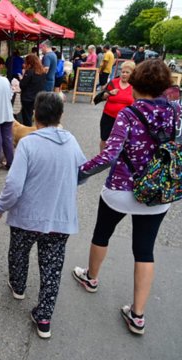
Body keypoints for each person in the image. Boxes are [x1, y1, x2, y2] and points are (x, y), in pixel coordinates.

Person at [73, 59, 181, 335]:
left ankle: (91, 277)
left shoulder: (129, 114)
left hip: (122, 189)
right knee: (144, 250)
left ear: (136, 84)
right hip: (158, 192)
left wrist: (79, 173)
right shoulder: (176, 111)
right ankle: (137, 315)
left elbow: (108, 156)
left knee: (102, 234)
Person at [0, 92, 86, 339]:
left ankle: (19, 286)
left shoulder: (28, 144)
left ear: (35, 115)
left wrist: (0, 208)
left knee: (19, 251)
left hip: (27, 217)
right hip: (60, 219)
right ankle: (44, 318)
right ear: (61, 116)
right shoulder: (71, 141)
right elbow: (83, 172)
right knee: (52, 267)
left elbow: (13, 186)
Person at [97, 61, 135, 152]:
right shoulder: (113, 82)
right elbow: (99, 98)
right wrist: (108, 93)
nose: (124, 74)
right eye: (122, 72)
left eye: (127, 72)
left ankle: (118, 160)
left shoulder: (135, 86)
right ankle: (102, 159)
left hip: (126, 119)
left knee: (123, 141)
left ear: (132, 74)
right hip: (108, 116)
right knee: (104, 138)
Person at [19, 54, 46, 126]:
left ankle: (28, 133)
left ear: (29, 63)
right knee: (38, 118)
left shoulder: (29, 72)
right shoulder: (42, 72)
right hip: (38, 97)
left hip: (27, 98)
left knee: (27, 118)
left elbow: (22, 85)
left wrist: (22, 78)